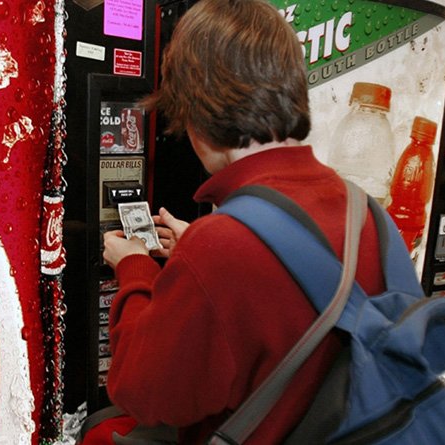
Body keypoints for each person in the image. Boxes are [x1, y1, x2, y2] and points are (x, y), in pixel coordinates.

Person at [96, 0, 388, 443]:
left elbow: (143, 394)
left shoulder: (223, 246)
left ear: (196, 108)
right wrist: (201, 250)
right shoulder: (366, 211)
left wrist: (134, 266)